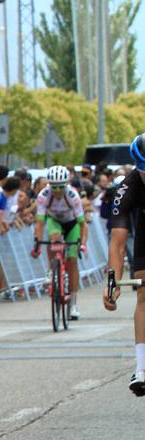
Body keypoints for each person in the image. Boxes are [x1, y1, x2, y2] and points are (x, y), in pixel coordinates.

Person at [104, 134, 145, 396]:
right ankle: (142, 366)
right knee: (144, 293)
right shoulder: (128, 187)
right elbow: (118, 242)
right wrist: (113, 283)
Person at [31, 165, 87, 320]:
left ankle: (74, 304)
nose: (57, 191)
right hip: (54, 221)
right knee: (54, 237)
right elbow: (40, 223)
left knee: (72, 261)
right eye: (54, 187)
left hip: (72, 224)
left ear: (66, 185)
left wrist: (82, 243)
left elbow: (83, 224)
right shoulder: (44, 195)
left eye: (60, 187)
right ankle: (52, 269)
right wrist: (37, 243)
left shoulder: (72, 195)